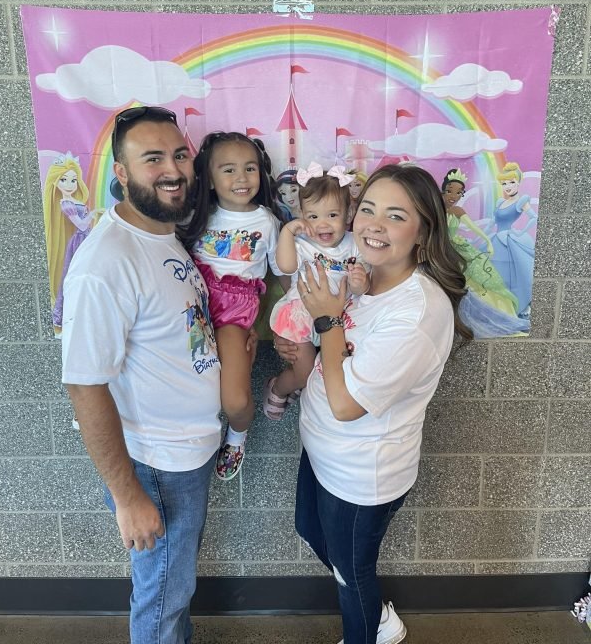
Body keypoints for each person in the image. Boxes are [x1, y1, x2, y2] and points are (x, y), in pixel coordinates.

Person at [62, 106, 252, 644]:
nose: (172, 170)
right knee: (163, 598)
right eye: (152, 159)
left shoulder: (161, 236)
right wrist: (128, 497)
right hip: (154, 467)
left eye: (179, 155)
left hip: (185, 456)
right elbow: (84, 385)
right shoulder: (106, 263)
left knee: (174, 591)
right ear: (121, 173)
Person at [276, 164, 471, 644]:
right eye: (367, 209)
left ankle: (371, 627)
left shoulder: (417, 313)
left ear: (423, 232)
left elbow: (347, 405)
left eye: (396, 215)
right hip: (324, 452)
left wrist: (325, 323)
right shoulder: (363, 279)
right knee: (310, 529)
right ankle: (377, 613)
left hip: (361, 474)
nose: (373, 224)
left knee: (352, 576)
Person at [182, 132, 282, 481]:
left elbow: (284, 273)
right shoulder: (196, 216)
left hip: (232, 316)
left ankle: (237, 436)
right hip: (189, 307)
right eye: (228, 170)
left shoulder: (267, 222)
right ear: (208, 177)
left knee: (236, 402)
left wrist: (297, 318)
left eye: (249, 168)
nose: (241, 178)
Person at [263, 164, 369, 421]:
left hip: (338, 318)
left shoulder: (354, 243)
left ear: (349, 213)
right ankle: (278, 387)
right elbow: (287, 267)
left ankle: (305, 385)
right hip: (301, 313)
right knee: (304, 372)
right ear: (302, 215)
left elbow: (361, 289)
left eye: (332, 215)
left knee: (328, 371)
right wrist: (289, 232)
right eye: (313, 216)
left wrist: (358, 282)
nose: (322, 224)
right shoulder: (301, 243)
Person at [441, 169, 529, 338]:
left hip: (456, 249)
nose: (454, 195)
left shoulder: (457, 211)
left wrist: (487, 241)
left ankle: (480, 318)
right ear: (443, 190)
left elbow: (473, 228)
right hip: (439, 251)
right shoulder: (434, 207)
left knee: (477, 277)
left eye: (459, 192)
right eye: (450, 191)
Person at [43, 153, 100, 333]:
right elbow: (81, 224)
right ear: (56, 182)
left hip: (86, 238)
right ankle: (66, 314)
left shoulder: (75, 200)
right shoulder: (65, 203)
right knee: (75, 274)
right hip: (80, 241)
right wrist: (95, 213)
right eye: (64, 180)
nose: (69, 185)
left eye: (73, 180)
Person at [488, 161, 537, 316]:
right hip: (496, 240)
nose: (507, 186)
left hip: (509, 242)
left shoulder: (521, 201)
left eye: (511, 182)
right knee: (495, 273)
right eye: (504, 183)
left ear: (518, 182)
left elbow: (533, 217)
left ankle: (515, 307)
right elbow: (492, 223)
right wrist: (481, 238)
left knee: (511, 275)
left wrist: (520, 232)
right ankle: (498, 307)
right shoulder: (500, 202)